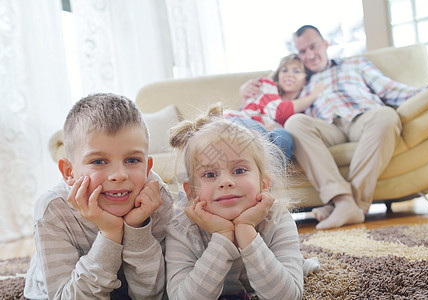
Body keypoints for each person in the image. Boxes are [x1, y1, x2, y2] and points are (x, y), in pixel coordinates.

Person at [240, 25, 428, 230]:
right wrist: (246, 89)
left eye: (314, 47)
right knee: (295, 122)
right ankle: (344, 202)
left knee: (387, 115)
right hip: (327, 129)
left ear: (325, 44)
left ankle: (345, 204)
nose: (310, 55)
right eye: (303, 51)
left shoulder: (355, 64)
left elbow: (391, 90)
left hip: (364, 118)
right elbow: (274, 99)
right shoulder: (300, 79)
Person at [24, 93, 174, 299]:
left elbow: (153, 295)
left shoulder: (156, 198)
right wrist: (110, 233)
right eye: (98, 161)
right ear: (69, 172)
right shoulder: (53, 210)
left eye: (132, 160)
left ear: (148, 167)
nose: (119, 175)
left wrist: (137, 230)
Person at [165, 103, 319, 300]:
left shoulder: (278, 219)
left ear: (264, 184)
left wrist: (246, 229)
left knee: (289, 268)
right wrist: (222, 237)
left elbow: (287, 296)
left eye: (239, 171)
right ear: (191, 192)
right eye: (210, 174)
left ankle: (296, 262)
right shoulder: (181, 230)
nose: (226, 182)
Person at [226, 53, 324, 162]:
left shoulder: (303, 111)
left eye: (296, 71)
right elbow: (279, 111)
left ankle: (270, 176)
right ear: (278, 75)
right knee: (260, 131)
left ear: (305, 80)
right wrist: (313, 96)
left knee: (283, 137)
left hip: (267, 137)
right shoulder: (266, 85)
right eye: (285, 70)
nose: (289, 75)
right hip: (242, 123)